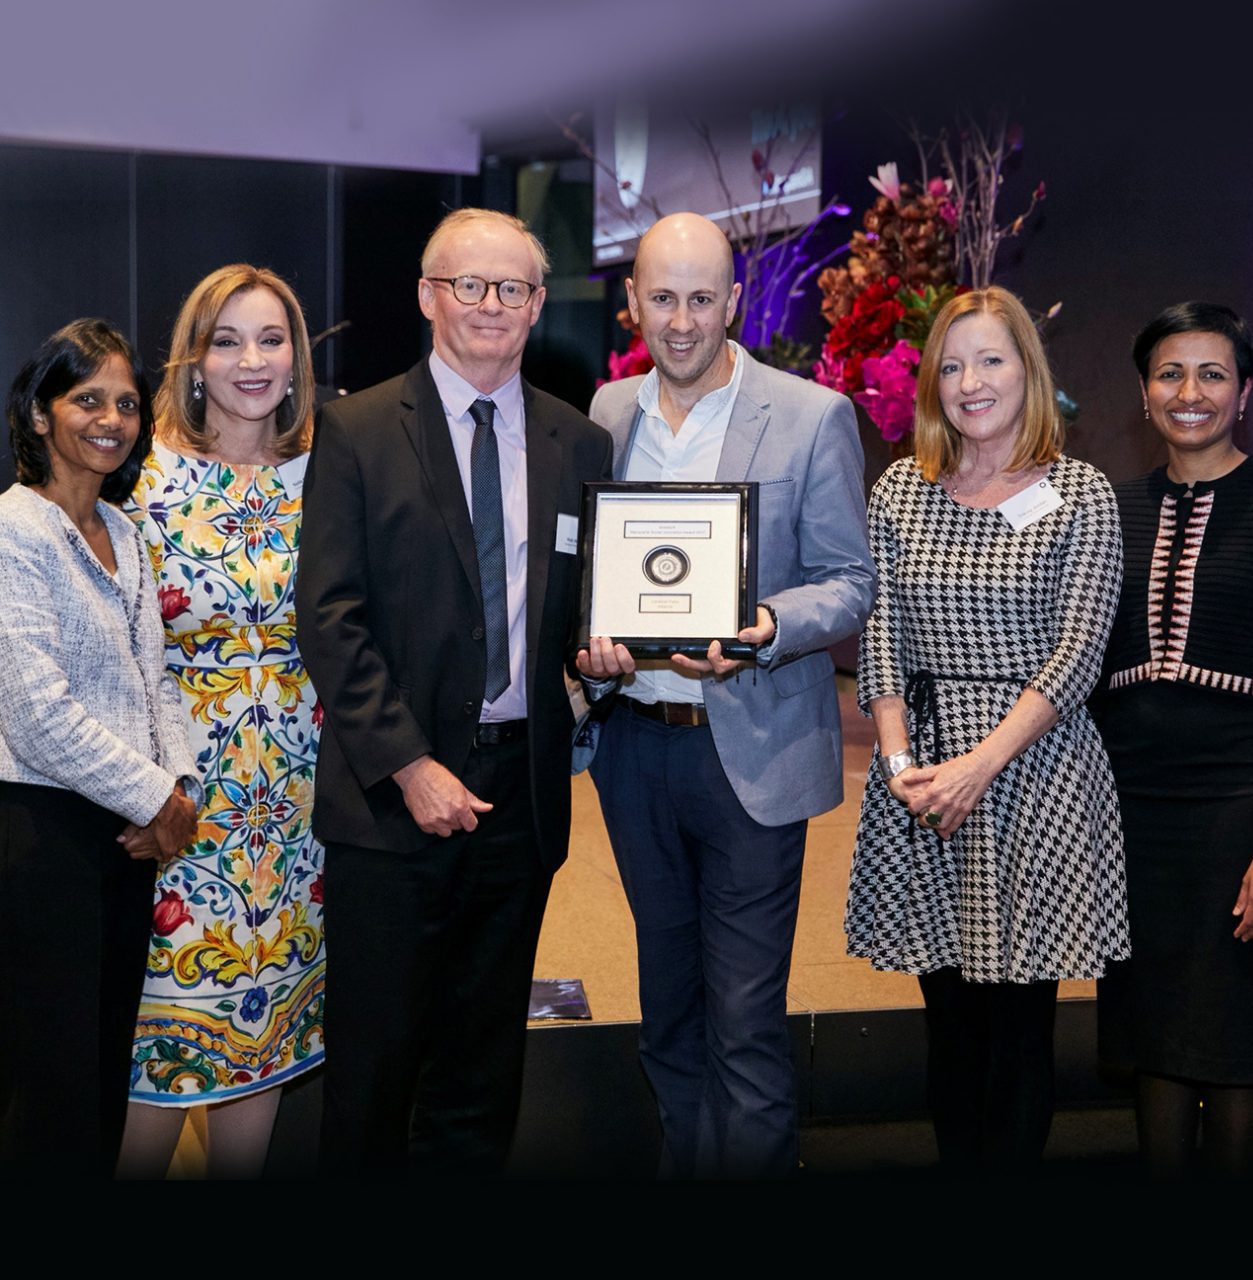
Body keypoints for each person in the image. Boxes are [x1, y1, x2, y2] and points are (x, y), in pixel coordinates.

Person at [296, 208, 612, 1176]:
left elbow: (577, 607)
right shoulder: (353, 429)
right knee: (375, 1068)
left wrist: (603, 650)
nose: (489, 305)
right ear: (429, 295)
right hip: (391, 805)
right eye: (467, 285)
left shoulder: (577, 441)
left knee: (482, 1068)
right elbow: (331, 615)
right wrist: (408, 762)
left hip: (518, 795)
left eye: (511, 287)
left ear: (534, 306)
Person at [579, 211, 875, 1179]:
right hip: (633, 747)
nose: (679, 320)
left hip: (747, 749)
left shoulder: (809, 414)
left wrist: (762, 628)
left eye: (700, 298)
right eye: (660, 297)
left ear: (733, 302)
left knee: (745, 1017)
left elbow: (845, 579)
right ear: (632, 302)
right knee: (665, 1002)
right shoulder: (607, 412)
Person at [844, 286, 1128, 1172]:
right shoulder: (903, 487)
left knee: (1018, 1027)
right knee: (950, 1023)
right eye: (952, 364)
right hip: (921, 779)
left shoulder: (1081, 493)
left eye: (991, 359)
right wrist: (900, 763)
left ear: (1028, 372)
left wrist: (980, 765)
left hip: (1033, 770)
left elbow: (1079, 655)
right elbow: (880, 634)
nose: (971, 381)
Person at [113, 266, 323, 1180]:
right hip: (178, 807)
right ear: (193, 358)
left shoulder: (331, 472)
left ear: (297, 356)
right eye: (228, 340)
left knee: (262, 1039)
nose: (251, 360)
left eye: (271, 339)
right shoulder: (138, 478)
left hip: (296, 810)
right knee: (154, 1054)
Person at [0, 319, 199, 1176]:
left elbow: (155, 680)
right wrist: (156, 801)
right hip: (43, 839)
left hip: (125, 840)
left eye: (125, 400)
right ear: (41, 415)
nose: (111, 417)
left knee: (99, 1086)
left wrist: (177, 789)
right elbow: (37, 713)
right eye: (87, 398)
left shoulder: (128, 530)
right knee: (49, 1094)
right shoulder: (14, 528)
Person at [1093, 302, 1253, 1181]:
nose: (1190, 392)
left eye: (1212, 374)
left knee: (1235, 1043)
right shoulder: (1108, 511)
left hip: (1242, 814)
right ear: (1143, 392)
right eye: (1171, 373)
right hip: (1132, 815)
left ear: (1244, 392)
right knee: (1155, 1035)